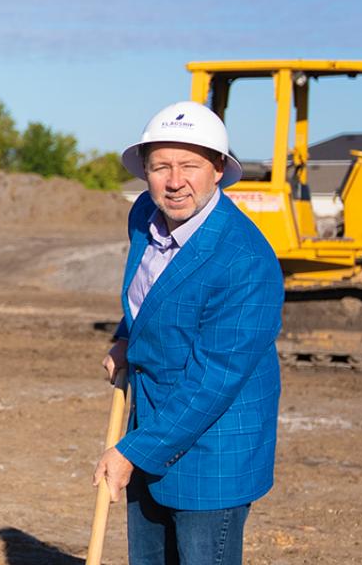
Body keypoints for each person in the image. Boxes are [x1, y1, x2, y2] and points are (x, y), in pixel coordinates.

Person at [94, 101, 282, 565]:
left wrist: (131, 452)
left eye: (190, 166)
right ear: (145, 171)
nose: (175, 181)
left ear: (218, 169)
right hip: (152, 420)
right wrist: (125, 336)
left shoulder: (244, 260)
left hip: (214, 444)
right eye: (161, 166)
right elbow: (150, 293)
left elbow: (213, 378)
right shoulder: (144, 214)